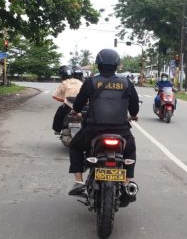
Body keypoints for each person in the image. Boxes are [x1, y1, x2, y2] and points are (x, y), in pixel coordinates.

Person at [68, 49, 140, 200]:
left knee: (74, 146)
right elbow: (134, 107)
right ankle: (127, 184)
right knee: (130, 151)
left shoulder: (90, 82)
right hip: (121, 131)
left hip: (94, 130)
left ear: (98, 64)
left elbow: (79, 104)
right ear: (116, 65)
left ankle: (79, 181)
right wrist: (133, 115)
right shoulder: (127, 82)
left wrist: (75, 112)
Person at [52, 65, 82, 134]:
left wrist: (64, 100)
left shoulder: (64, 83)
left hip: (68, 106)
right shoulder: (80, 82)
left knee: (59, 114)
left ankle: (57, 130)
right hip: (81, 105)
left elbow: (55, 96)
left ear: (62, 75)